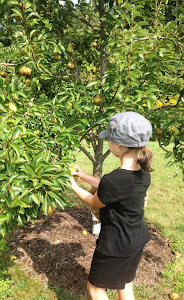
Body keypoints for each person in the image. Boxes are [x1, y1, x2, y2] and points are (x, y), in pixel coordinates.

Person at [70, 111, 153, 300]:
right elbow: (112, 189)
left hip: (115, 246)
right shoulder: (143, 171)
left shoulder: (114, 180)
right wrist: (84, 176)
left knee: (96, 289)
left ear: (119, 144)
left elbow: (93, 201)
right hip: (136, 239)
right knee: (124, 285)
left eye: (109, 139)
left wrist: (73, 185)